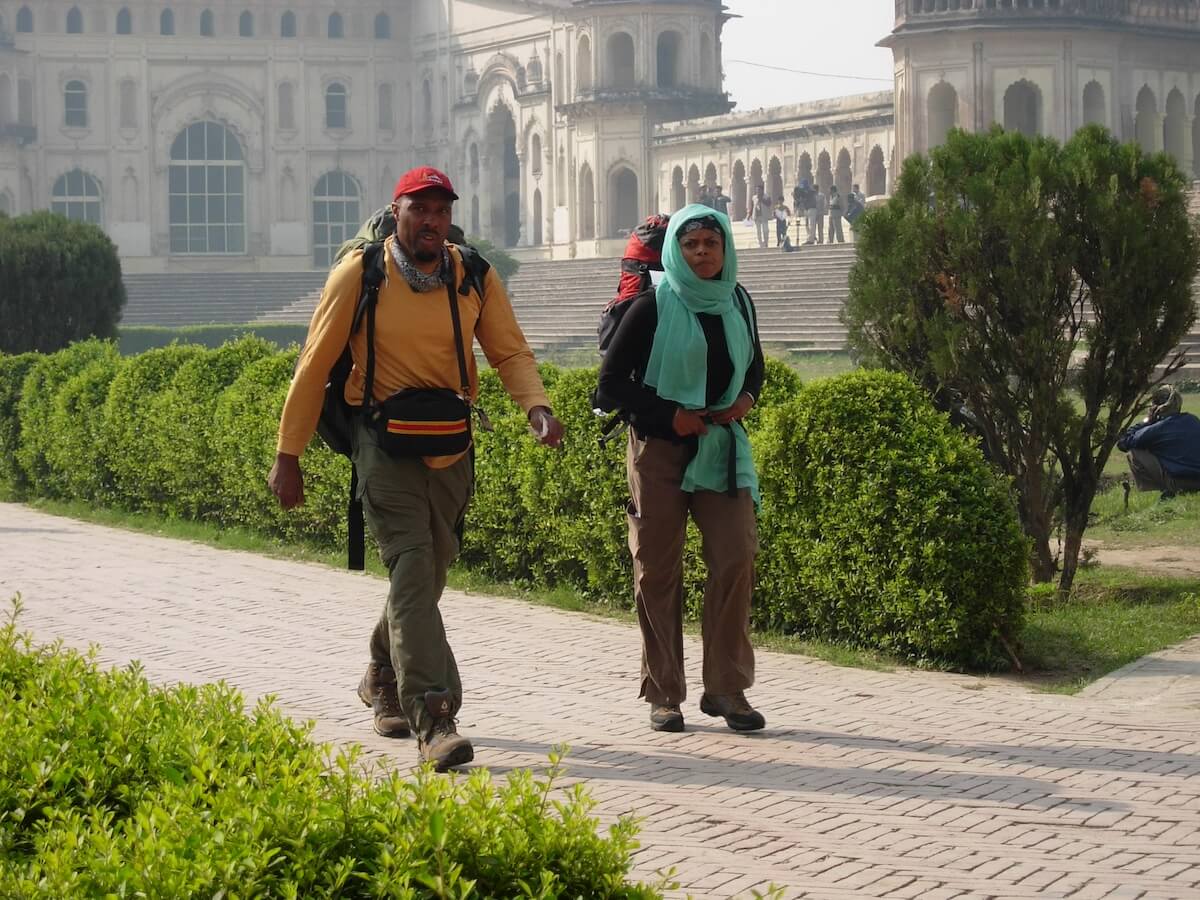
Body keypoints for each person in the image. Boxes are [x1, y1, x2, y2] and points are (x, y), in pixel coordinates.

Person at [269, 166, 564, 771]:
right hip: (384, 442)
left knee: (428, 575)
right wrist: (287, 455)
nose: (431, 221)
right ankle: (435, 718)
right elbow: (313, 362)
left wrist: (536, 407)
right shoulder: (362, 274)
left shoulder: (471, 273)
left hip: (452, 442)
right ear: (396, 212)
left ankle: (381, 670)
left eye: (440, 210)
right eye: (418, 210)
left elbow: (509, 348)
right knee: (412, 564)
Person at [595, 203, 767, 735]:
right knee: (658, 571)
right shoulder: (652, 306)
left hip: (720, 446)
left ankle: (726, 688)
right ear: (676, 252)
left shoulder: (737, 300)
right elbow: (609, 386)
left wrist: (746, 398)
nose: (701, 253)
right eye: (690, 245)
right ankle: (664, 693)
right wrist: (670, 414)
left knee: (736, 559)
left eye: (710, 245)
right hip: (660, 451)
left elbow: (754, 364)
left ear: (725, 250)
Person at [1117, 385, 1200, 499]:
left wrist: (1148, 421)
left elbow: (1124, 443)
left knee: (1135, 451)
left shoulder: (1158, 428)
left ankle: (1167, 490)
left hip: (1178, 482)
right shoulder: (1193, 420)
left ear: (1156, 408)